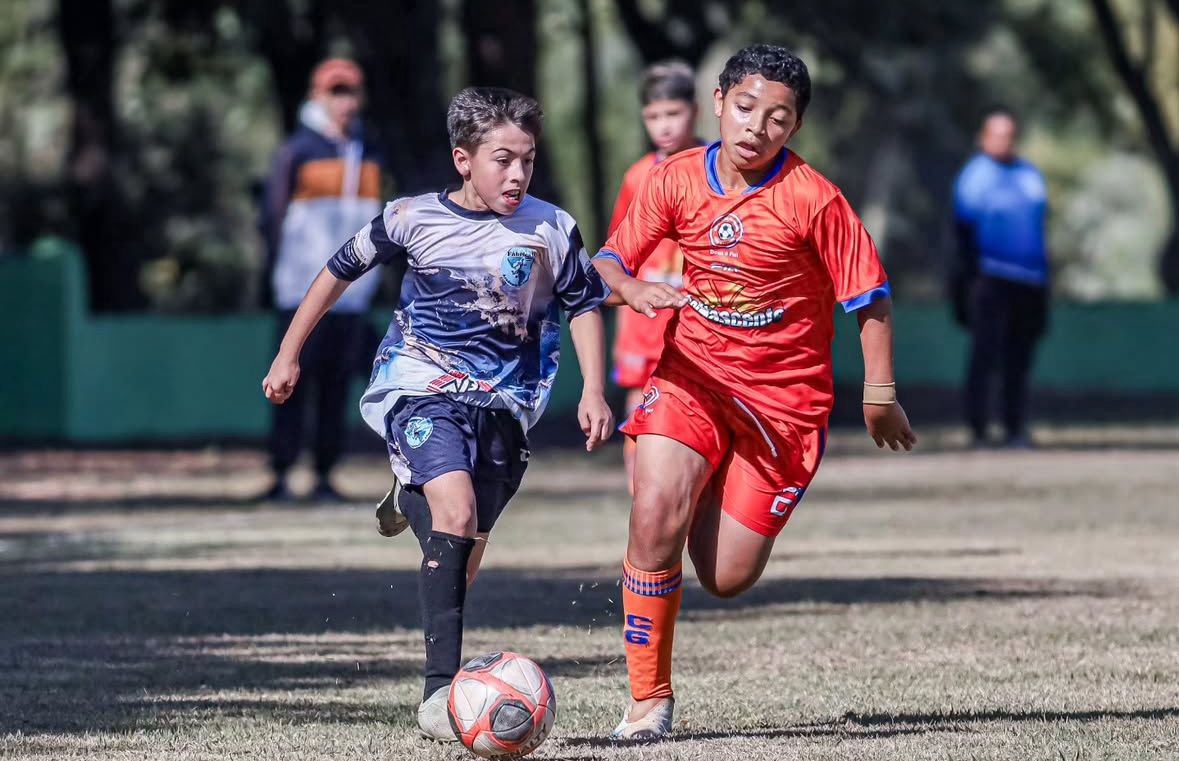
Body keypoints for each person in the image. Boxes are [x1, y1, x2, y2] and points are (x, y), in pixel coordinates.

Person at [262, 86, 613, 741]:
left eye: (527, 161)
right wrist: (290, 353)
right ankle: (436, 697)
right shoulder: (409, 217)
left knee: (463, 555)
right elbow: (335, 272)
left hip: (506, 407)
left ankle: (407, 486)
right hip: (419, 386)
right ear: (463, 159)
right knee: (454, 514)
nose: (517, 174)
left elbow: (584, 302)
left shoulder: (552, 228)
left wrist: (594, 388)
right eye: (502, 159)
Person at [591, 44, 917, 740]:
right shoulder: (674, 180)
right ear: (717, 102)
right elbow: (608, 260)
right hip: (692, 380)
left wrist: (879, 393)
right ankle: (648, 701)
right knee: (652, 514)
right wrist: (630, 287)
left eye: (777, 118)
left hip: (782, 408)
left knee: (725, 576)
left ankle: (706, 482)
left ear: (792, 127)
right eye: (744, 108)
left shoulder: (813, 198)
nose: (755, 128)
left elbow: (870, 299)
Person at [259, 58, 386, 502]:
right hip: (299, 290)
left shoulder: (369, 151)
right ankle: (280, 471)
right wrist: (280, 272)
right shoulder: (297, 150)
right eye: (335, 92)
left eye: (349, 91)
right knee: (289, 381)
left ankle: (325, 472)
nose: (343, 101)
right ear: (317, 95)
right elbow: (272, 216)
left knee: (336, 385)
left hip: (352, 297)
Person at [609, 60, 701, 491]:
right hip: (644, 320)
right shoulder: (637, 176)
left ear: (696, 111)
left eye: (672, 113)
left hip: (701, 315)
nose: (663, 126)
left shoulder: (718, 168)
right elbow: (617, 255)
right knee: (640, 407)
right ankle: (641, 500)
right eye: (653, 116)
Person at [951, 107, 1049, 448]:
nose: (1004, 140)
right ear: (984, 138)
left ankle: (1015, 427)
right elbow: (962, 232)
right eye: (997, 134)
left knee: (1019, 357)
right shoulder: (975, 176)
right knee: (985, 354)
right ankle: (978, 429)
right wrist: (967, 282)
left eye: (1009, 134)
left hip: (1030, 280)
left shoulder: (1029, 175)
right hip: (990, 279)